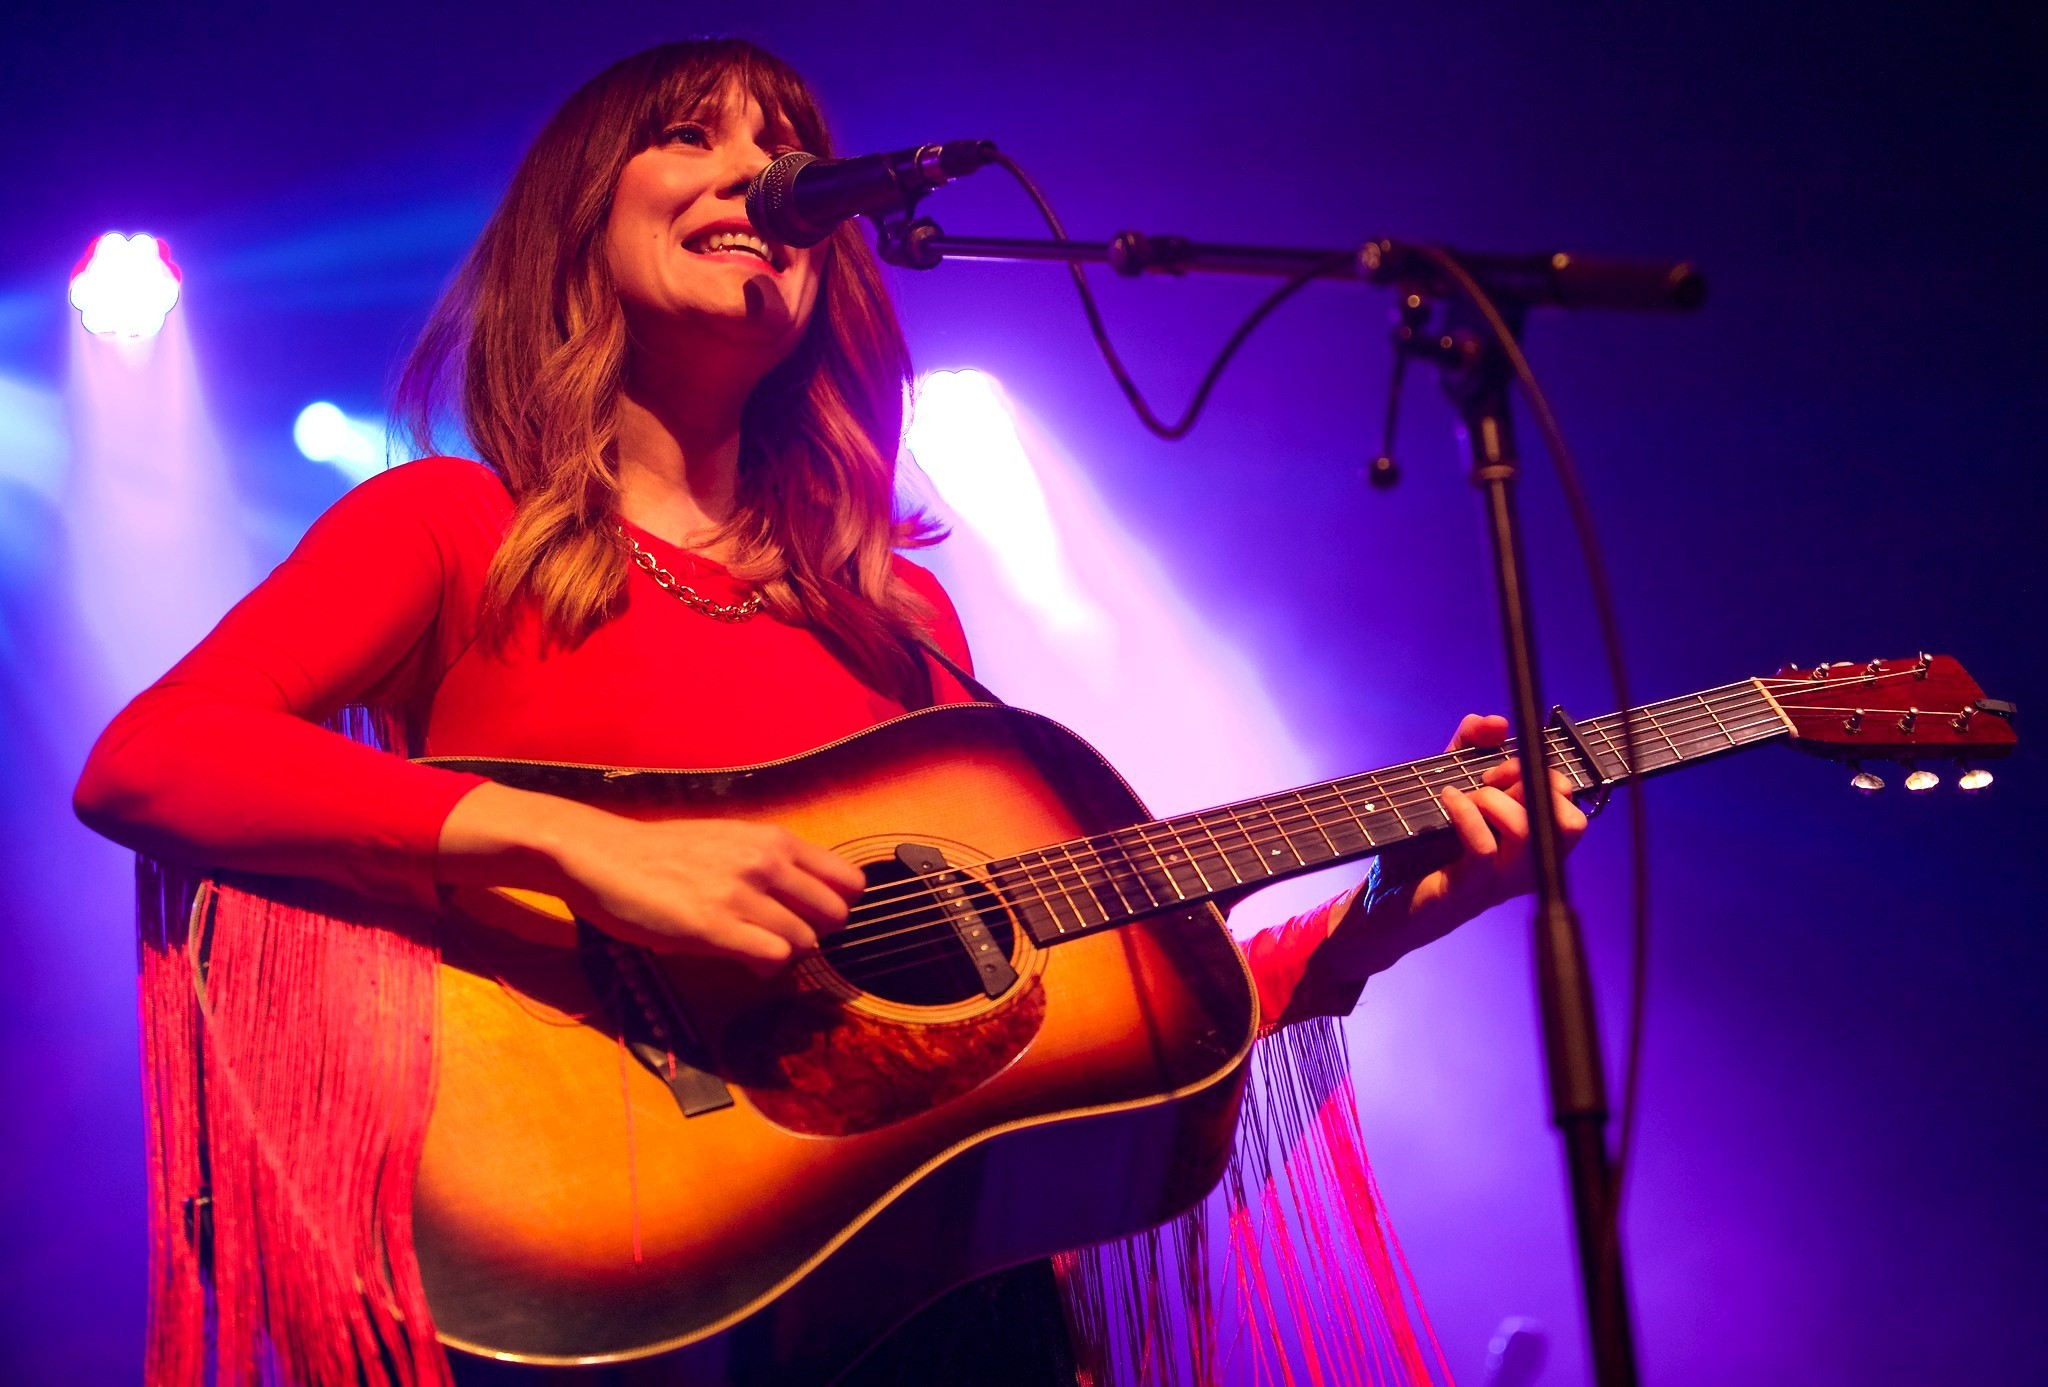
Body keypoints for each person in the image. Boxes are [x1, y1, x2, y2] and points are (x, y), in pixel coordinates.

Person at [73, 38, 1585, 1387]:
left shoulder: (902, 621)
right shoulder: (454, 526)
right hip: (610, 1265)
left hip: (931, 1322)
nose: (761, 171)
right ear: (576, 224)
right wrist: (590, 851)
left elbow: (1014, 1036)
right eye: (694, 135)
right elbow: (150, 760)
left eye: (783, 142)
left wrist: (1370, 928)